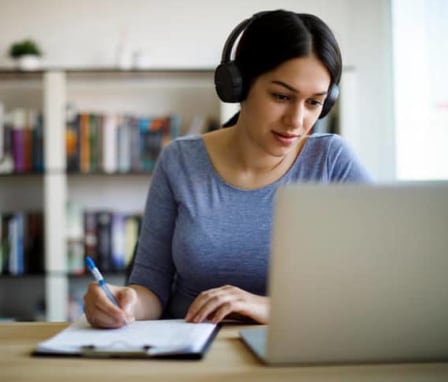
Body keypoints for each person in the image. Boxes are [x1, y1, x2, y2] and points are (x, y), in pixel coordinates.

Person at [83, 9, 371, 329]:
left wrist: (269, 307)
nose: (297, 120)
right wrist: (125, 302)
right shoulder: (179, 161)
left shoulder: (331, 162)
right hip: (191, 353)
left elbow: (378, 283)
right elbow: (151, 287)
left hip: (296, 353)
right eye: (281, 96)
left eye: (314, 102)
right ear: (239, 85)